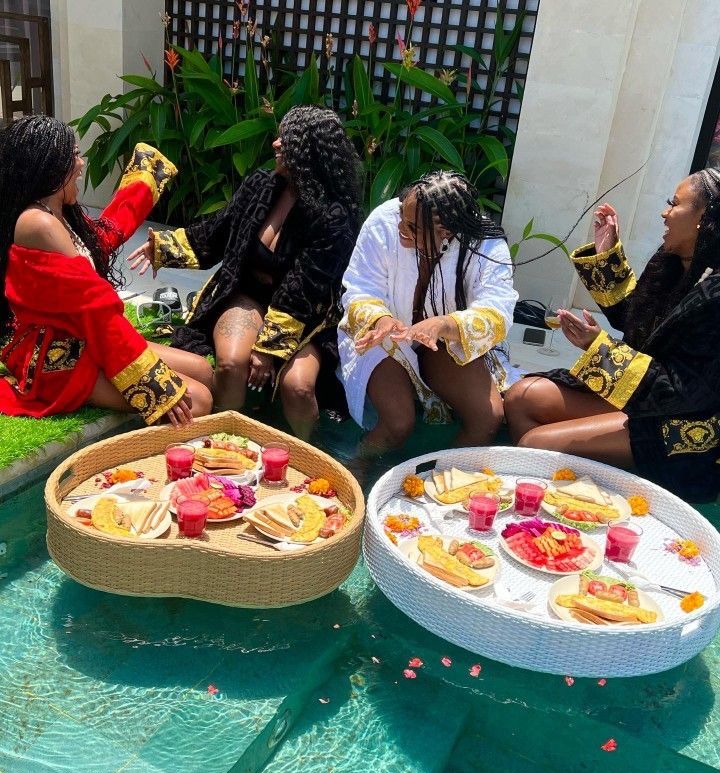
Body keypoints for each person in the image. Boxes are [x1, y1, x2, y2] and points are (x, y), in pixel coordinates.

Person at [129, 105, 363, 438]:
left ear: (308, 151)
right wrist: (163, 247)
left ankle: (307, 456)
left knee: (298, 388)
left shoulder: (333, 217)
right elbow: (218, 232)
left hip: (307, 318)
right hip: (249, 294)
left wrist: (268, 349)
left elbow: (304, 288)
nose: (276, 144)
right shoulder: (260, 186)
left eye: (287, 139)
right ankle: (222, 441)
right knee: (231, 364)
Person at [504, 169, 720, 503]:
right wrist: (606, 254)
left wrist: (599, 350)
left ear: (702, 219)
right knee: (520, 397)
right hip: (642, 398)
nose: (665, 212)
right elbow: (636, 323)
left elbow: (682, 393)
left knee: (536, 444)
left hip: (680, 425)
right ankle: (552, 497)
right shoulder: (672, 261)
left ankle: (568, 510)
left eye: (674, 204)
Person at [0, 116, 213, 425]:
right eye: (73, 155)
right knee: (198, 400)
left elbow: (103, 237)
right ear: (50, 164)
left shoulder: (58, 212)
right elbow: (97, 310)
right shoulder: (38, 223)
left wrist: (145, 179)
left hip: (86, 339)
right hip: (57, 359)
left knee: (204, 369)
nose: (82, 163)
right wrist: (150, 381)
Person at [337, 170, 518, 452]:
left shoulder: (485, 243)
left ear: (446, 232)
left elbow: (498, 310)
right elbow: (359, 285)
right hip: (382, 337)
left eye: (411, 227)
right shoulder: (385, 220)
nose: (399, 227)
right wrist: (381, 318)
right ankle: (358, 468)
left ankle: (438, 477)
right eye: (401, 215)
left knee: (488, 418)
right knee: (398, 422)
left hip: (446, 342)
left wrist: (444, 325)